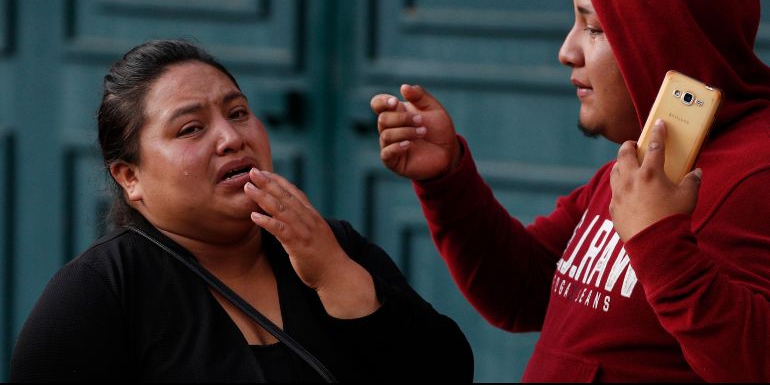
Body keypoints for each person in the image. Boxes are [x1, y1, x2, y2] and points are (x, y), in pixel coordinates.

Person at [370, 0, 770, 382]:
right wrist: (447, 178)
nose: (566, 50)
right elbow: (521, 292)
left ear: (663, 39)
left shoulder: (756, 177)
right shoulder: (642, 163)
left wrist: (661, 243)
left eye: (594, 28)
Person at [9, 39, 474, 382]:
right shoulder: (98, 294)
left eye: (237, 113)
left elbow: (447, 371)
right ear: (130, 177)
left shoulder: (332, 246)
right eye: (191, 128)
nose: (232, 138)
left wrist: (336, 277)